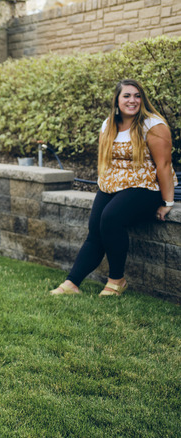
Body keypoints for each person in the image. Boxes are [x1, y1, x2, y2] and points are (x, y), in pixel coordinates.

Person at [50, 79, 177, 297]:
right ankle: (72, 282)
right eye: (126, 96)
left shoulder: (153, 125)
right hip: (113, 185)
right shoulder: (108, 124)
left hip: (145, 185)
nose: (132, 100)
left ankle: (117, 279)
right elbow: (106, 161)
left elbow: (163, 166)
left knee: (110, 218)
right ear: (117, 100)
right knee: (96, 229)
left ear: (142, 99)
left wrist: (167, 203)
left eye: (137, 96)